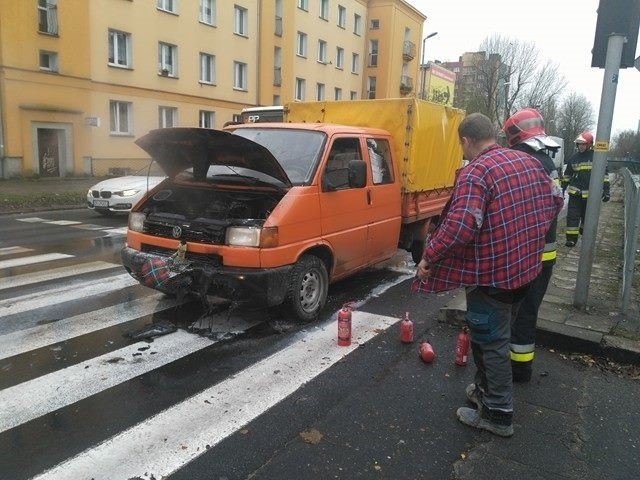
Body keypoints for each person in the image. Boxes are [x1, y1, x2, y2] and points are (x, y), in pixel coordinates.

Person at [413, 113, 563, 437]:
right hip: (527, 271)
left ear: (466, 141)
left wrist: (429, 256)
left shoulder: (476, 172)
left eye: (461, 146)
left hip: (492, 277)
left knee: (492, 342)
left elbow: (459, 227)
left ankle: (498, 414)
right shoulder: (527, 162)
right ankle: (483, 391)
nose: (462, 152)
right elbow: (555, 200)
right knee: (494, 337)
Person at [503, 109, 561, 383]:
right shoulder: (548, 163)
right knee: (530, 309)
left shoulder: (528, 164)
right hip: (546, 251)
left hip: (530, 252)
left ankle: (519, 369)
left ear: (515, 137)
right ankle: (518, 363)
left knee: (523, 312)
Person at [561, 131, 610, 247]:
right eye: (579, 144)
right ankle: (571, 239)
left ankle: (584, 231)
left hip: (591, 196)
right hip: (575, 194)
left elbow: (605, 176)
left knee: (587, 217)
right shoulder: (573, 158)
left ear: (589, 144)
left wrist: (606, 191)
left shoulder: (597, 157)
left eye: (583, 144)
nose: (580, 146)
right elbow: (567, 175)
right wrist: (562, 190)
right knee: (572, 217)